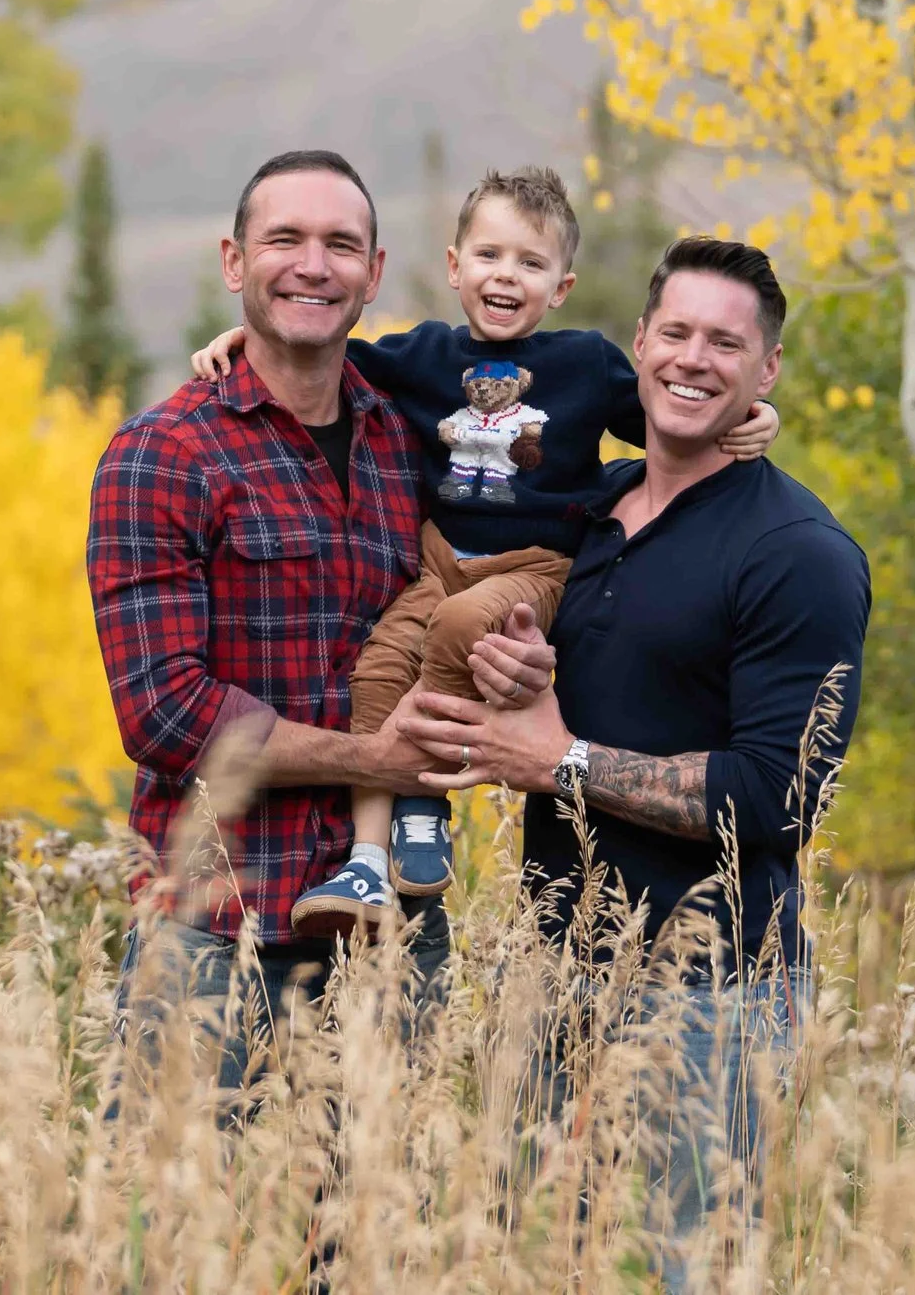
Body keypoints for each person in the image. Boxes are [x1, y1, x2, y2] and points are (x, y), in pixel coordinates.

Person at [400, 235, 870, 1288]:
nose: (694, 359)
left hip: (713, 999)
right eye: (676, 332)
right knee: (523, 1264)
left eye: (726, 343)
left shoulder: (795, 551)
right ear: (639, 343)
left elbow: (778, 795)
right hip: (553, 973)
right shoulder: (591, 512)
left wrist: (557, 758)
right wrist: (517, 673)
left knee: (682, 1273)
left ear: (767, 372)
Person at [190, 167, 779, 935]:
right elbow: (313, 349)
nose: (507, 275)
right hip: (441, 556)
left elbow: (681, 410)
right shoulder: (422, 355)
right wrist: (243, 337)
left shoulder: (590, 365)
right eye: (490, 256)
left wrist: (755, 416)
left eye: (530, 264)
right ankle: (367, 857)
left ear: (560, 285)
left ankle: (424, 802)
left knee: (463, 624)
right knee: (380, 658)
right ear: (454, 266)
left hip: (532, 565)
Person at [86, 149, 550, 1094]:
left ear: (374, 274)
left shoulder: (411, 438)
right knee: (178, 1235)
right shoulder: (161, 455)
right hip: (216, 934)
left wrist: (522, 664)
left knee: (377, 1236)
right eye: (284, 240)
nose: (313, 264)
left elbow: (516, 544)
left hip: (391, 942)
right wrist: (372, 760)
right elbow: (165, 715)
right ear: (233, 261)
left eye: (341, 244)